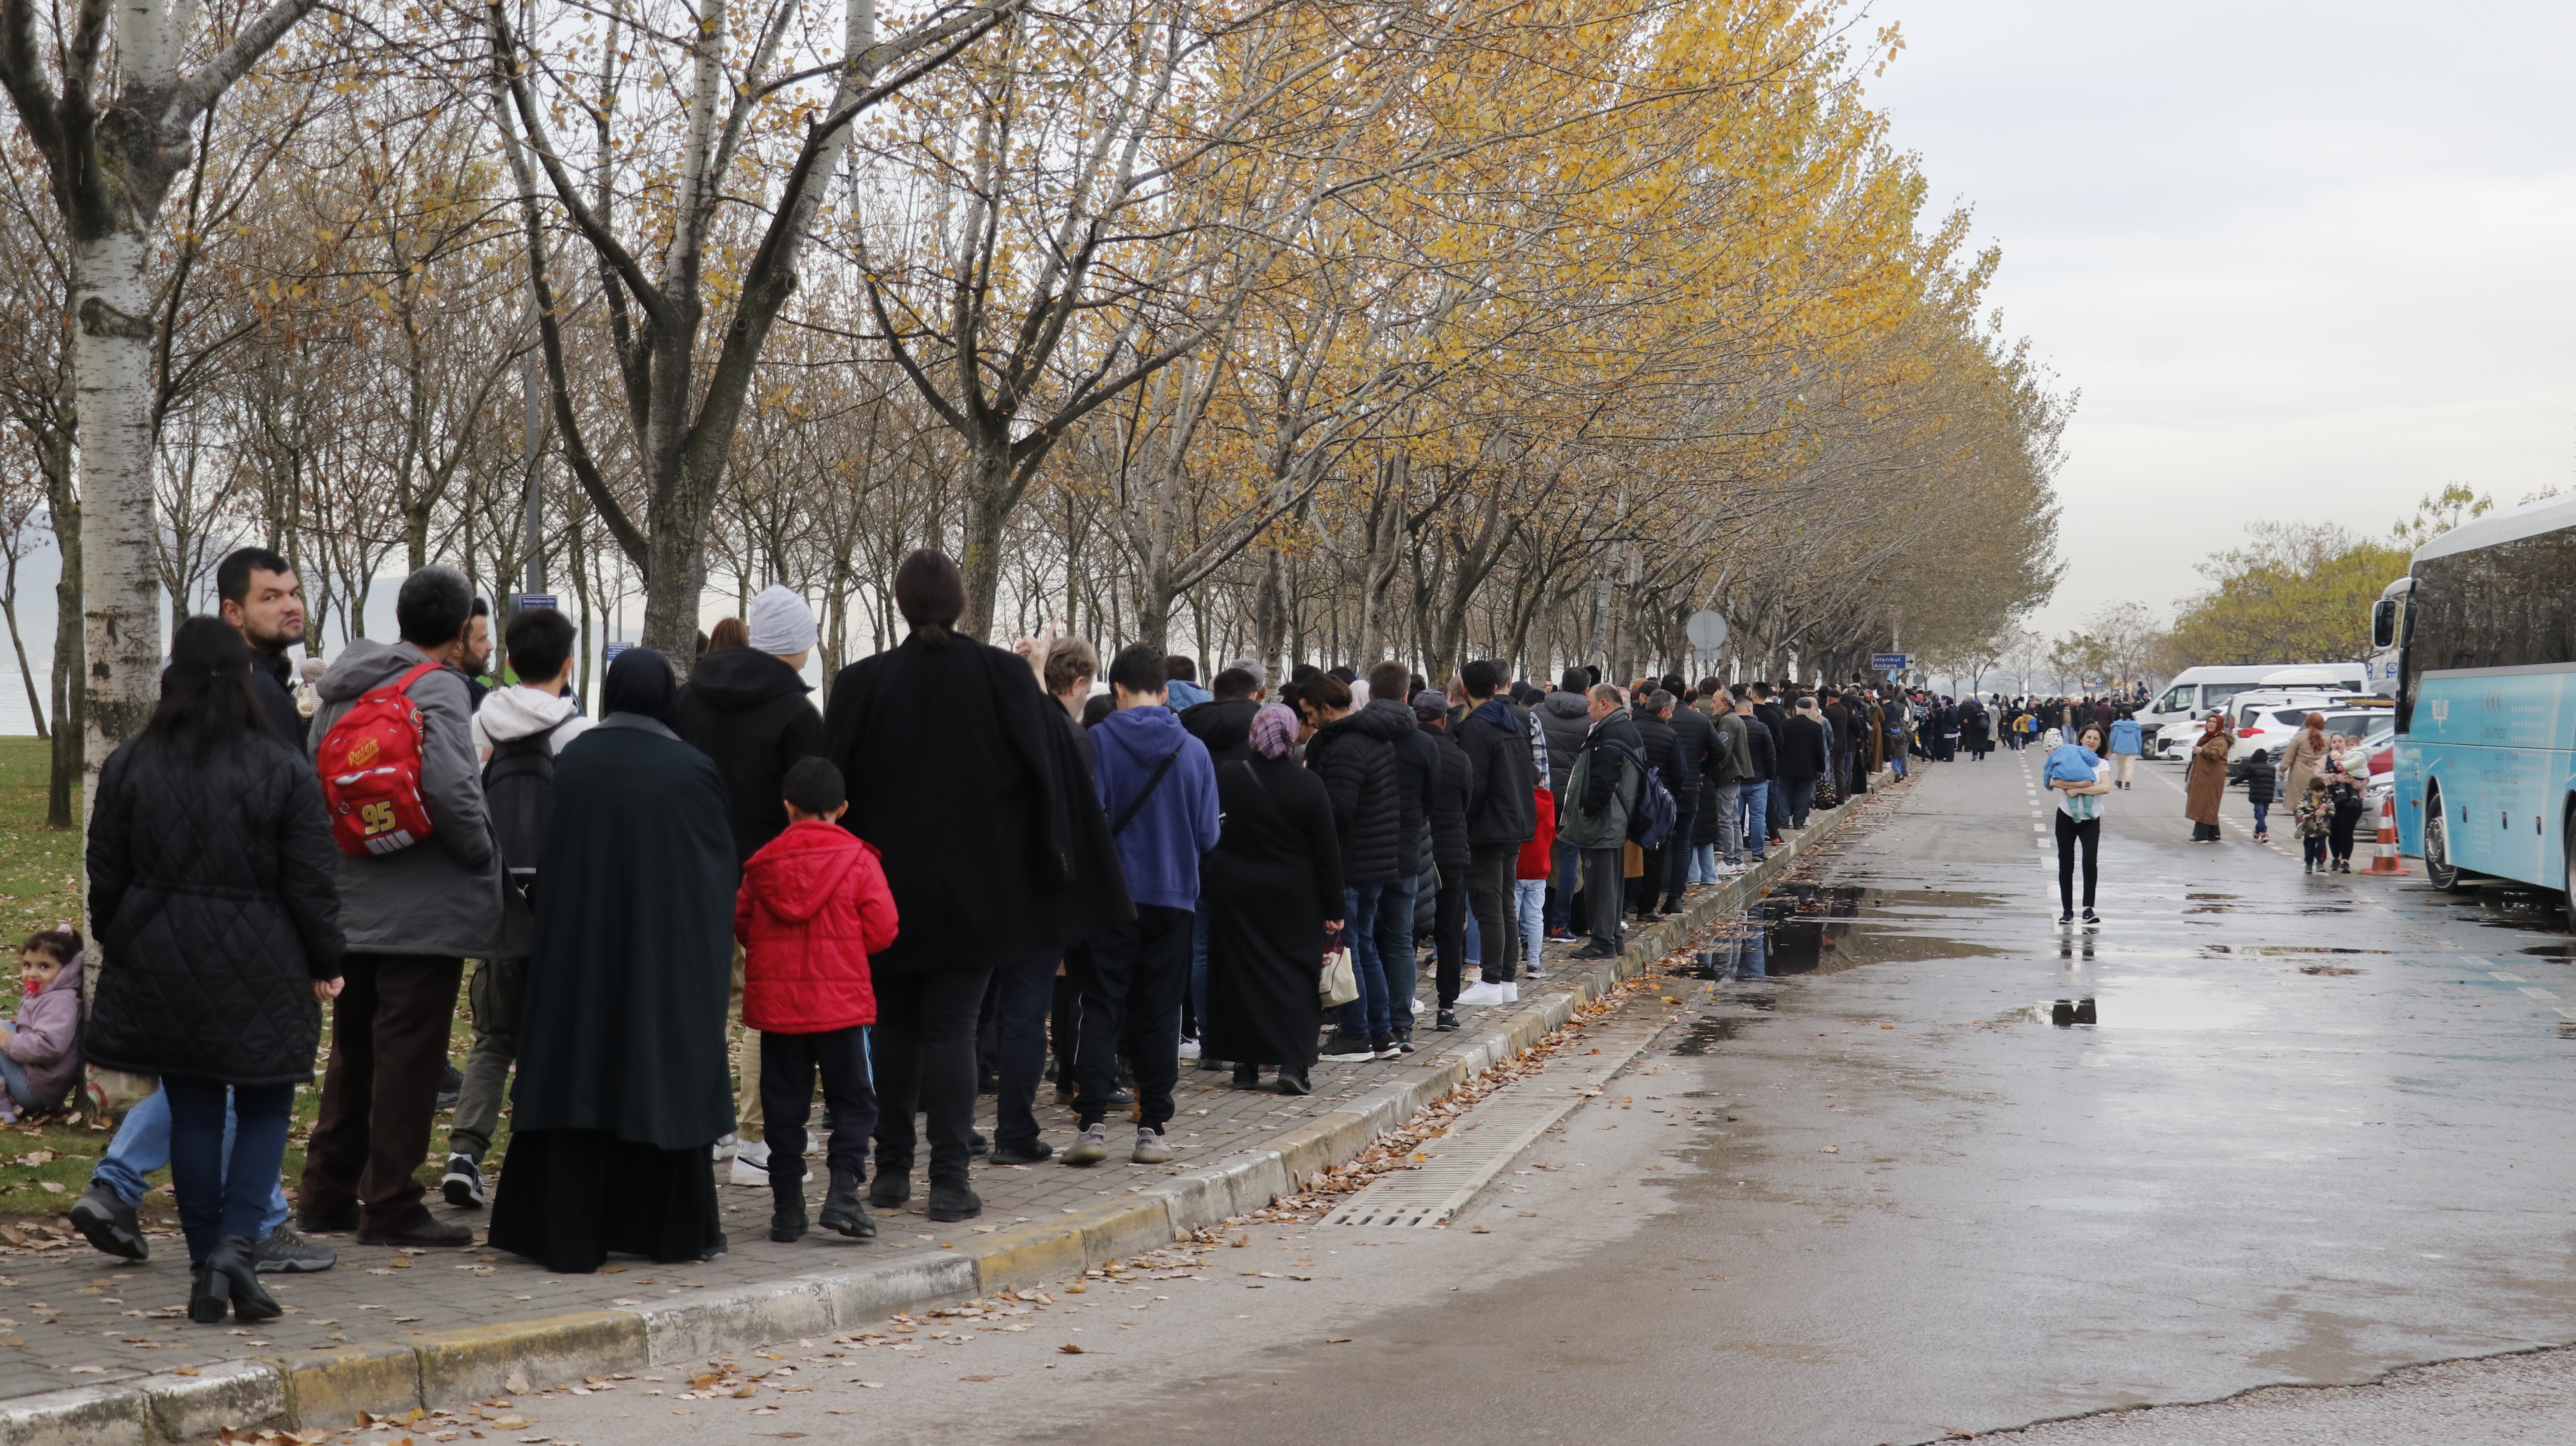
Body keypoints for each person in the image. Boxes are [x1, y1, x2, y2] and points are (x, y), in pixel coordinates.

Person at [822, 551, 1125, 1221]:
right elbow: (1052, 763)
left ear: (899, 603)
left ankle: (893, 1171)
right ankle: (951, 1180)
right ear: (961, 604)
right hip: (980, 892)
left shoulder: (861, 682)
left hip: (884, 889)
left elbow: (826, 785)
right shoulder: (1000, 676)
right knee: (954, 1029)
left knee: (897, 1027)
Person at [85, 616, 346, 1321]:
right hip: (264, 960)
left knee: (196, 1110)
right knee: (265, 1102)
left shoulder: (130, 762)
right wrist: (326, 960)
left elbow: (104, 874)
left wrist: (126, 938)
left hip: (160, 961)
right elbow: (311, 880)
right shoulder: (281, 765)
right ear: (242, 680)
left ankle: (208, 1267)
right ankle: (236, 1247)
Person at [487, 647, 735, 1272]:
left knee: (581, 1074)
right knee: (658, 1071)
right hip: (663, 957)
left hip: (580, 953)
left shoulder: (574, 760)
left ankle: (571, 1232)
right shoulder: (693, 769)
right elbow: (715, 877)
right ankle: (666, 1231)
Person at [300, 565, 495, 1248]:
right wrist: (480, 854)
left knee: (353, 1051)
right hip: (423, 911)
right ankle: (391, 1205)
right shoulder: (439, 687)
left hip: (349, 898)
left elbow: (315, 770)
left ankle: (326, 1192)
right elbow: (451, 787)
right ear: (459, 627)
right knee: (410, 1057)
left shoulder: (343, 685)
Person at [439, 605, 595, 1210]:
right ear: (568, 664)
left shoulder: (479, 725)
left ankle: (464, 1153)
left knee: (494, 1037)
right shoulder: (579, 736)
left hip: (497, 906)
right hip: (560, 915)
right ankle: (537, 1160)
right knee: (555, 1039)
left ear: (506, 662)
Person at [674, 583, 827, 1188]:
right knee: (763, 1009)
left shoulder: (689, 700)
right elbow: (809, 810)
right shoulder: (797, 714)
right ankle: (756, 1142)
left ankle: (710, 1128)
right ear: (795, 647)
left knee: (706, 1004)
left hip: (694, 875)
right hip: (767, 879)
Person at [1063, 644, 1221, 1167]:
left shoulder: (1099, 742)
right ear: (1164, 688)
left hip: (1113, 897)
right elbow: (1206, 834)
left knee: (1102, 1003)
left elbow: (1093, 822)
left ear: (1120, 689)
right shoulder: (1194, 750)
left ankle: (1091, 1124)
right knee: (1160, 1009)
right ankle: (1152, 1125)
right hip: (1174, 895)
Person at [738, 756, 898, 1243]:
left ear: (788, 807)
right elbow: (884, 928)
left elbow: (742, 923)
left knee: (784, 1104)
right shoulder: (859, 860)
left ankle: (788, 1206)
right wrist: (847, 951)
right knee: (854, 1101)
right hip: (842, 1007)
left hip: (779, 1009)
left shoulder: (762, 864)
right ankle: (844, 1192)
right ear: (842, 808)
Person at [1203, 704, 1345, 1096]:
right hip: (1295, 896)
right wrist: (1335, 908)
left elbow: (1209, 829)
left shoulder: (1229, 775)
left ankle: (1245, 1063)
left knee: (1241, 975)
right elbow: (1327, 852)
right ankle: (1293, 1063)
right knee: (1295, 977)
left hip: (1236, 893)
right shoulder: (1309, 785)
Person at [1300, 671, 1405, 1060]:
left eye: (1311, 713)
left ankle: (1357, 1032)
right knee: (1365, 947)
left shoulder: (1345, 745)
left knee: (1352, 949)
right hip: (1375, 857)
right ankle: (1381, 1034)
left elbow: (1338, 808)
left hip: (1353, 859)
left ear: (1328, 709)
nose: (1309, 722)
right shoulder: (1375, 738)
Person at [1454, 660, 1535, 1018]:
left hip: (1487, 828)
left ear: (1466, 690)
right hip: (1514, 823)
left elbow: (1475, 784)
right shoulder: (1513, 721)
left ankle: (1490, 980)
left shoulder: (1476, 726)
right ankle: (1505, 981)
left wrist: (1463, 824)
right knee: (1504, 904)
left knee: (1489, 905)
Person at [1558, 685, 1641, 960]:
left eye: (1591, 705)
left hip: (1604, 822)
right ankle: (1612, 939)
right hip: (1617, 819)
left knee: (1601, 885)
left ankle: (1603, 942)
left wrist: (1586, 812)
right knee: (1612, 884)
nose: (1589, 710)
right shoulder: (1626, 728)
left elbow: (1604, 782)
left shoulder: (1610, 732)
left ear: (1604, 704)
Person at [1413, 689, 1475, 1019]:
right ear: (1443, 718)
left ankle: (1403, 1002)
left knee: (1404, 930)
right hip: (1450, 853)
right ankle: (1447, 1006)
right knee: (1450, 929)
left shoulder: (1401, 751)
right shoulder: (1458, 756)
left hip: (1412, 851)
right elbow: (1467, 801)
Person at [0, 930, 82, 1122]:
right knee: (5, 1026)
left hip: (39, 1091)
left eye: (45, 967)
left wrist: (9, 1042)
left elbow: (49, 1047)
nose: (33, 974)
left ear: (66, 970)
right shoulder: (50, 994)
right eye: (28, 965)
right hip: (41, 1082)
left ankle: (4, 1109)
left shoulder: (61, 1001)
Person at [1535, 672, 1592, 939]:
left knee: (1539, 857)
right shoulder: (1591, 719)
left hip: (1541, 796)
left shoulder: (1537, 712)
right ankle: (1560, 924)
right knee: (1570, 861)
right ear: (1586, 689)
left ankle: (1536, 921)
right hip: (1573, 798)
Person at [2047, 723, 2112, 924]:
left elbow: (2105, 788)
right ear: (2081, 739)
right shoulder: (2068, 757)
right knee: (2066, 864)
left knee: (2090, 862)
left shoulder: (2102, 764)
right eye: (2088, 737)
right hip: (2066, 816)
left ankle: (2088, 909)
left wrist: (2078, 790)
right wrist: (2083, 785)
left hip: (2091, 819)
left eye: (2096, 739)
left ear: (2101, 743)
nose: (2091, 741)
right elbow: (2053, 782)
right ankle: (2067, 911)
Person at [1732, 685, 1774, 860]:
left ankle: (1736, 854)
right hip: (1759, 779)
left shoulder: (1730, 726)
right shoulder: (1762, 728)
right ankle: (1757, 852)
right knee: (1758, 817)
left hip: (1736, 779)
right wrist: (1770, 776)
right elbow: (1770, 755)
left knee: (1735, 819)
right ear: (1750, 708)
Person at [1778, 696, 1829, 829]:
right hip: (1808, 767)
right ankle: (1799, 821)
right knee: (1804, 794)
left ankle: (1783, 819)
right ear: (1808, 710)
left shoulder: (1784, 724)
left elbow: (1779, 746)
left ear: (1796, 708)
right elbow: (1820, 750)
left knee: (1783, 792)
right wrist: (1821, 767)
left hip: (1786, 765)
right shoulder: (1816, 728)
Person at [2185, 714, 2231, 842]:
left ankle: (2201, 835)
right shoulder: (2208, 738)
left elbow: (2215, 754)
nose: (2211, 724)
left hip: (2212, 777)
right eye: (2209, 722)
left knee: (2205, 804)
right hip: (2204, 776)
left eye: (2214, 722)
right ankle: (2214, 834)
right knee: (2207, 805)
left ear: (2220, 725)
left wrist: (2202, 751)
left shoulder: (2220, 740)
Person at [2279, 712, 2333, 804]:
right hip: (2319, 776)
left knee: (2299, 801)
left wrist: (2282, 770)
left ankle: (2300, 818)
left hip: (2299, 774)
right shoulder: (2328, 739)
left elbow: (2289, 755)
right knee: (2318, 802)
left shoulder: (2300, 737)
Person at [2296, 777, 2334, 873]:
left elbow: (2333, 811)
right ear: (2311, 791)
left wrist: (2325, 814)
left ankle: (2320, 863)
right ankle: (2309, 864)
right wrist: (2303, 815)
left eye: (2322, 791)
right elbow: (2299, 810)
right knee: (2309, 847)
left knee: (2321, 846)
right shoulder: (2305, 801)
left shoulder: (2327, 801)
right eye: (2317, 792)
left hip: (2322, 829)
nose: (2320, 794)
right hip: (2309, 828)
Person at [2245, 746, 2278, 843]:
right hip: (2268, 795)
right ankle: (2258, 831)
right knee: (2263, 813)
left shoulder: (2252, 768)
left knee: (2259, 814)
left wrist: (2233, 782)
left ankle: (2264, 832)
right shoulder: (2272, 769)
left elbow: (2243, 776)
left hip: (2257, 795)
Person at [2107, 709, 2143, 790]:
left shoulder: (2117, 725)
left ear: (2122, 714)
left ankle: (2120, 781)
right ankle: (2128, 783)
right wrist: (2139, 750)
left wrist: (2111, 749)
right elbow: (2139, 739)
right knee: (2130, 766)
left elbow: (2113, 738)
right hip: (2132, 748)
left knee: (2121, 766)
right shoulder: (2136, 726)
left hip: (2120, 748)